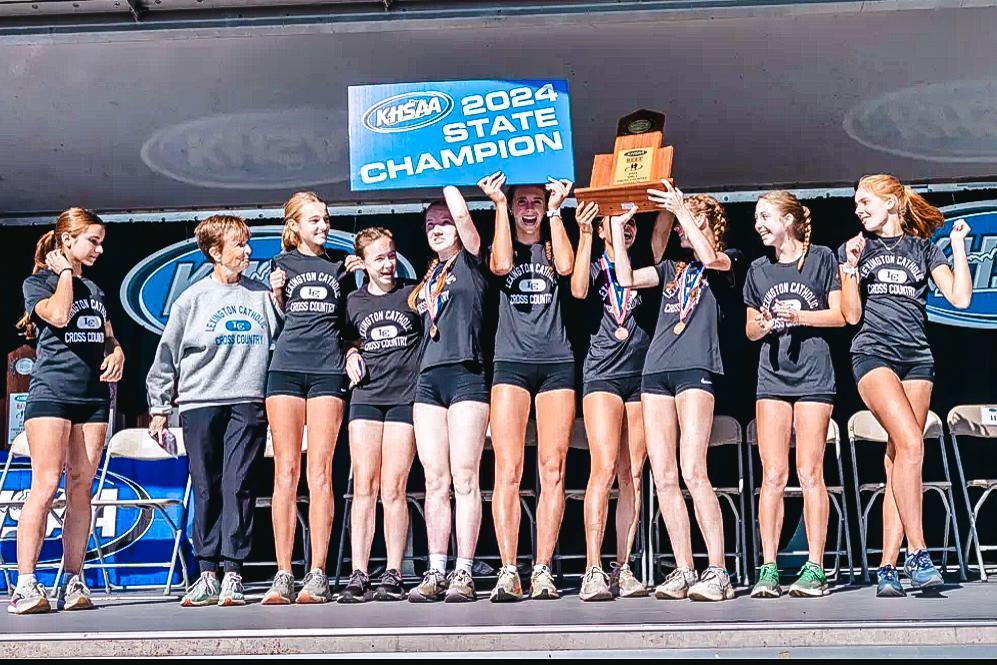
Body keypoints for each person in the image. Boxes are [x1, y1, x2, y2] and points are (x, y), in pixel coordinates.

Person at [838, 174, 972, 597]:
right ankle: (919, 552)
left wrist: (959, 247)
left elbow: (961, 299)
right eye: (856, 203)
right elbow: (850, 315)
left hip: (916, 358)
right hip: (873, 353)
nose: (858, 209)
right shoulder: (859, 248)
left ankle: (887, 567)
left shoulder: (922, 248)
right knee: (913, 445)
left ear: (892, 204)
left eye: (865, 201)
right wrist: (849, 269)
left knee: (900, 457)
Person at [147, 215, 280, 608]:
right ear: (215, 252)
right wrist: (158, 407)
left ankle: (234, 572)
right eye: (239, 245)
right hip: (200, 401)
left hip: (248, 400)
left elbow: (284, 336)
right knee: (206, 486)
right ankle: (206, 571)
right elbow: (165, 357)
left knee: (238, 484)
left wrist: (280, 298)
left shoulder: (261, 296)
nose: (248, 252)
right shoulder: (191, 300)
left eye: (247, 243)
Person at [612, 181, 736, 602]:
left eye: (690, 221)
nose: (681, 230)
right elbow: (626, 277)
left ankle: (718, 571)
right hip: (655, 372)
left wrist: (683, 211)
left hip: (695, 370)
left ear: (708, 222)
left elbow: (708, 254)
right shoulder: (670, 268)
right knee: (663, 476)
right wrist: (617, 226)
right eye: (682, 223)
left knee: (692, 471)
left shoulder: (725, 260)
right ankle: (684, 569)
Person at [10, 209, 124, 615]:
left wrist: (117, 350)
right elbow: (58, 315)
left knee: (81, 487)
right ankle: (26, 583)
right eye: (92, 240)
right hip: (51, 396)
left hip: (91, 398)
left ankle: (73, 578)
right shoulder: (38, 283)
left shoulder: (95, 288)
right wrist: (63, 276)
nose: (99, 248)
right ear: (67, 242)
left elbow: (106, 335)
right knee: (45, 483)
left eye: (101, 241)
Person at [478, 173, 578, 601]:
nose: (530, 208)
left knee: (552, 469)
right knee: (508, 470)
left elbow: (569, 269)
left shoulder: (554, 237)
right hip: (511, 363)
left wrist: (557, 209)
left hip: (556, 361)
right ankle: (507, 570)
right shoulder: (504, 237)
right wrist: (499, 203)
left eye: (536, 200)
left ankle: (541, 569)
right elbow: (500, 265)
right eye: (523, 201)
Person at [744, 192, 845, 598]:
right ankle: (768, 568)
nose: (759, 225)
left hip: (814, 376)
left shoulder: (820, 258)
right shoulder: (757, 269)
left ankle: (815, 567)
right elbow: (749, 329)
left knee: (809, 472)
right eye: (755, 218)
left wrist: (799, 316)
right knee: (773, 475)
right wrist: (767, 324)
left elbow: (840, 315)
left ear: (788, 220)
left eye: (766, 216)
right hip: (772, 378)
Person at [260, 192, 359, 605]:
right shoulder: (279, 266)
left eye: (325, 219)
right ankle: (284, 573)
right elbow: (272, 318)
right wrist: (276, 295)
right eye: (314, 220)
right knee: (286, 471)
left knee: (319, 472)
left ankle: (317, 572)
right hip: (285, 367)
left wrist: (352, 349)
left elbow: (355, 322)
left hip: (326, 370)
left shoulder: (341, 266)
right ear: (295, 226)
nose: (322, 226)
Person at [570, 202, 672, 601]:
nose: (626, 230)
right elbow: (577, 289)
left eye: (631, 224)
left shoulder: (645, 266)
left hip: (640, 377)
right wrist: (592, 233)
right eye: (618, 224)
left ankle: (622, 566)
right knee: (605, 468)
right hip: (601, 376)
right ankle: (592, 568)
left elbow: (662, 226)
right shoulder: (595, 266)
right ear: (602, 229)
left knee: (633, 473)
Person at [407, 187, 490, 603]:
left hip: (467, 374)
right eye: (429, 225)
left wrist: (444, 179)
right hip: (428, 379)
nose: (438, 230)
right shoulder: (429, 275)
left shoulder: (472, 261)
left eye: (444, 223)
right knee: (435, 480)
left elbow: (465, 222)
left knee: (465, 476)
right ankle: (436, 568)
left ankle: (464, 571)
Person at [338, 227, 422, 603]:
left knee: (394, 488)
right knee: (364, 488)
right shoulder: (353, 301)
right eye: (378, 258)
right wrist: (350, 353)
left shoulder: (412, 293)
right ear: (364, 263)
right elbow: (343, 338)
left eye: (390, 255)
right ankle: (358, 571)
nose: (387, 264)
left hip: (405, 398)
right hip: (366, 398)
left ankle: (392, 570)